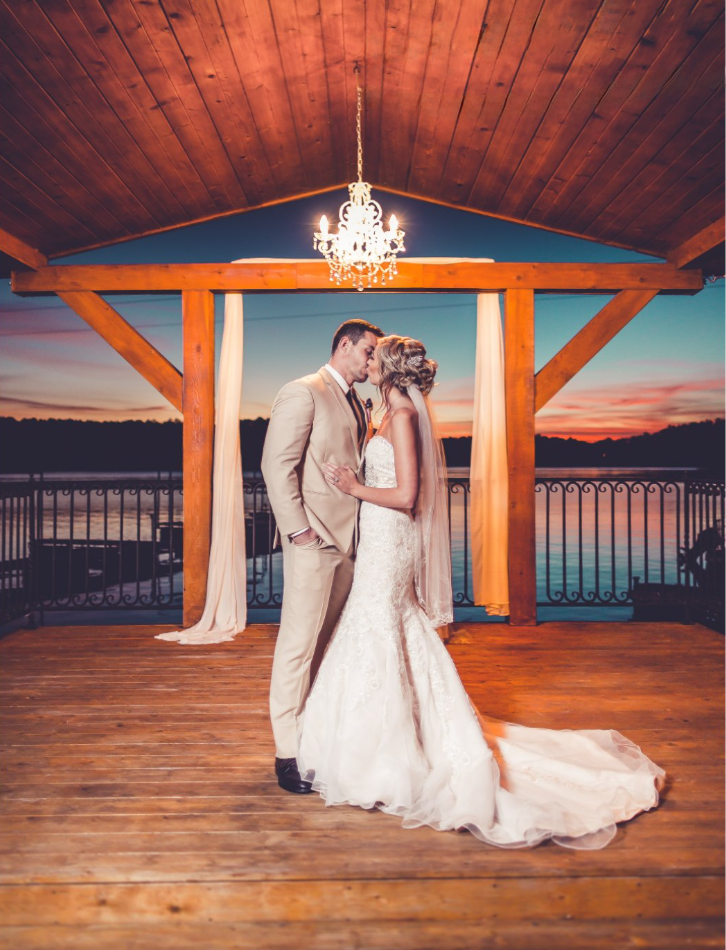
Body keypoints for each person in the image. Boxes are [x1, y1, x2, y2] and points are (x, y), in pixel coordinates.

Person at [297, 334, 666, 849]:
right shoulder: (385, 414)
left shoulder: (401, 419)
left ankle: (385, 754)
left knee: (378, 620)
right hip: (379, 537)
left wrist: (353, 487)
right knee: (385, 623)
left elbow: (407, 496)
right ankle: (391, 734)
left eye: (374, 358)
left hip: (390, 536)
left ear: (390, 371)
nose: (367, 362)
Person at [261, 318, 383, 794]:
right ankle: (287, 754)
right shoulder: (302, 391)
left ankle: (312, 737)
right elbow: (277, 466)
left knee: (324, 645)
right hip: (315, 543)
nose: (372, 361)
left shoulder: (356, 400)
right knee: (297, 647)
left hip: (352, 542)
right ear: (344, 345)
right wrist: (299, 533)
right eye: (368, 351)